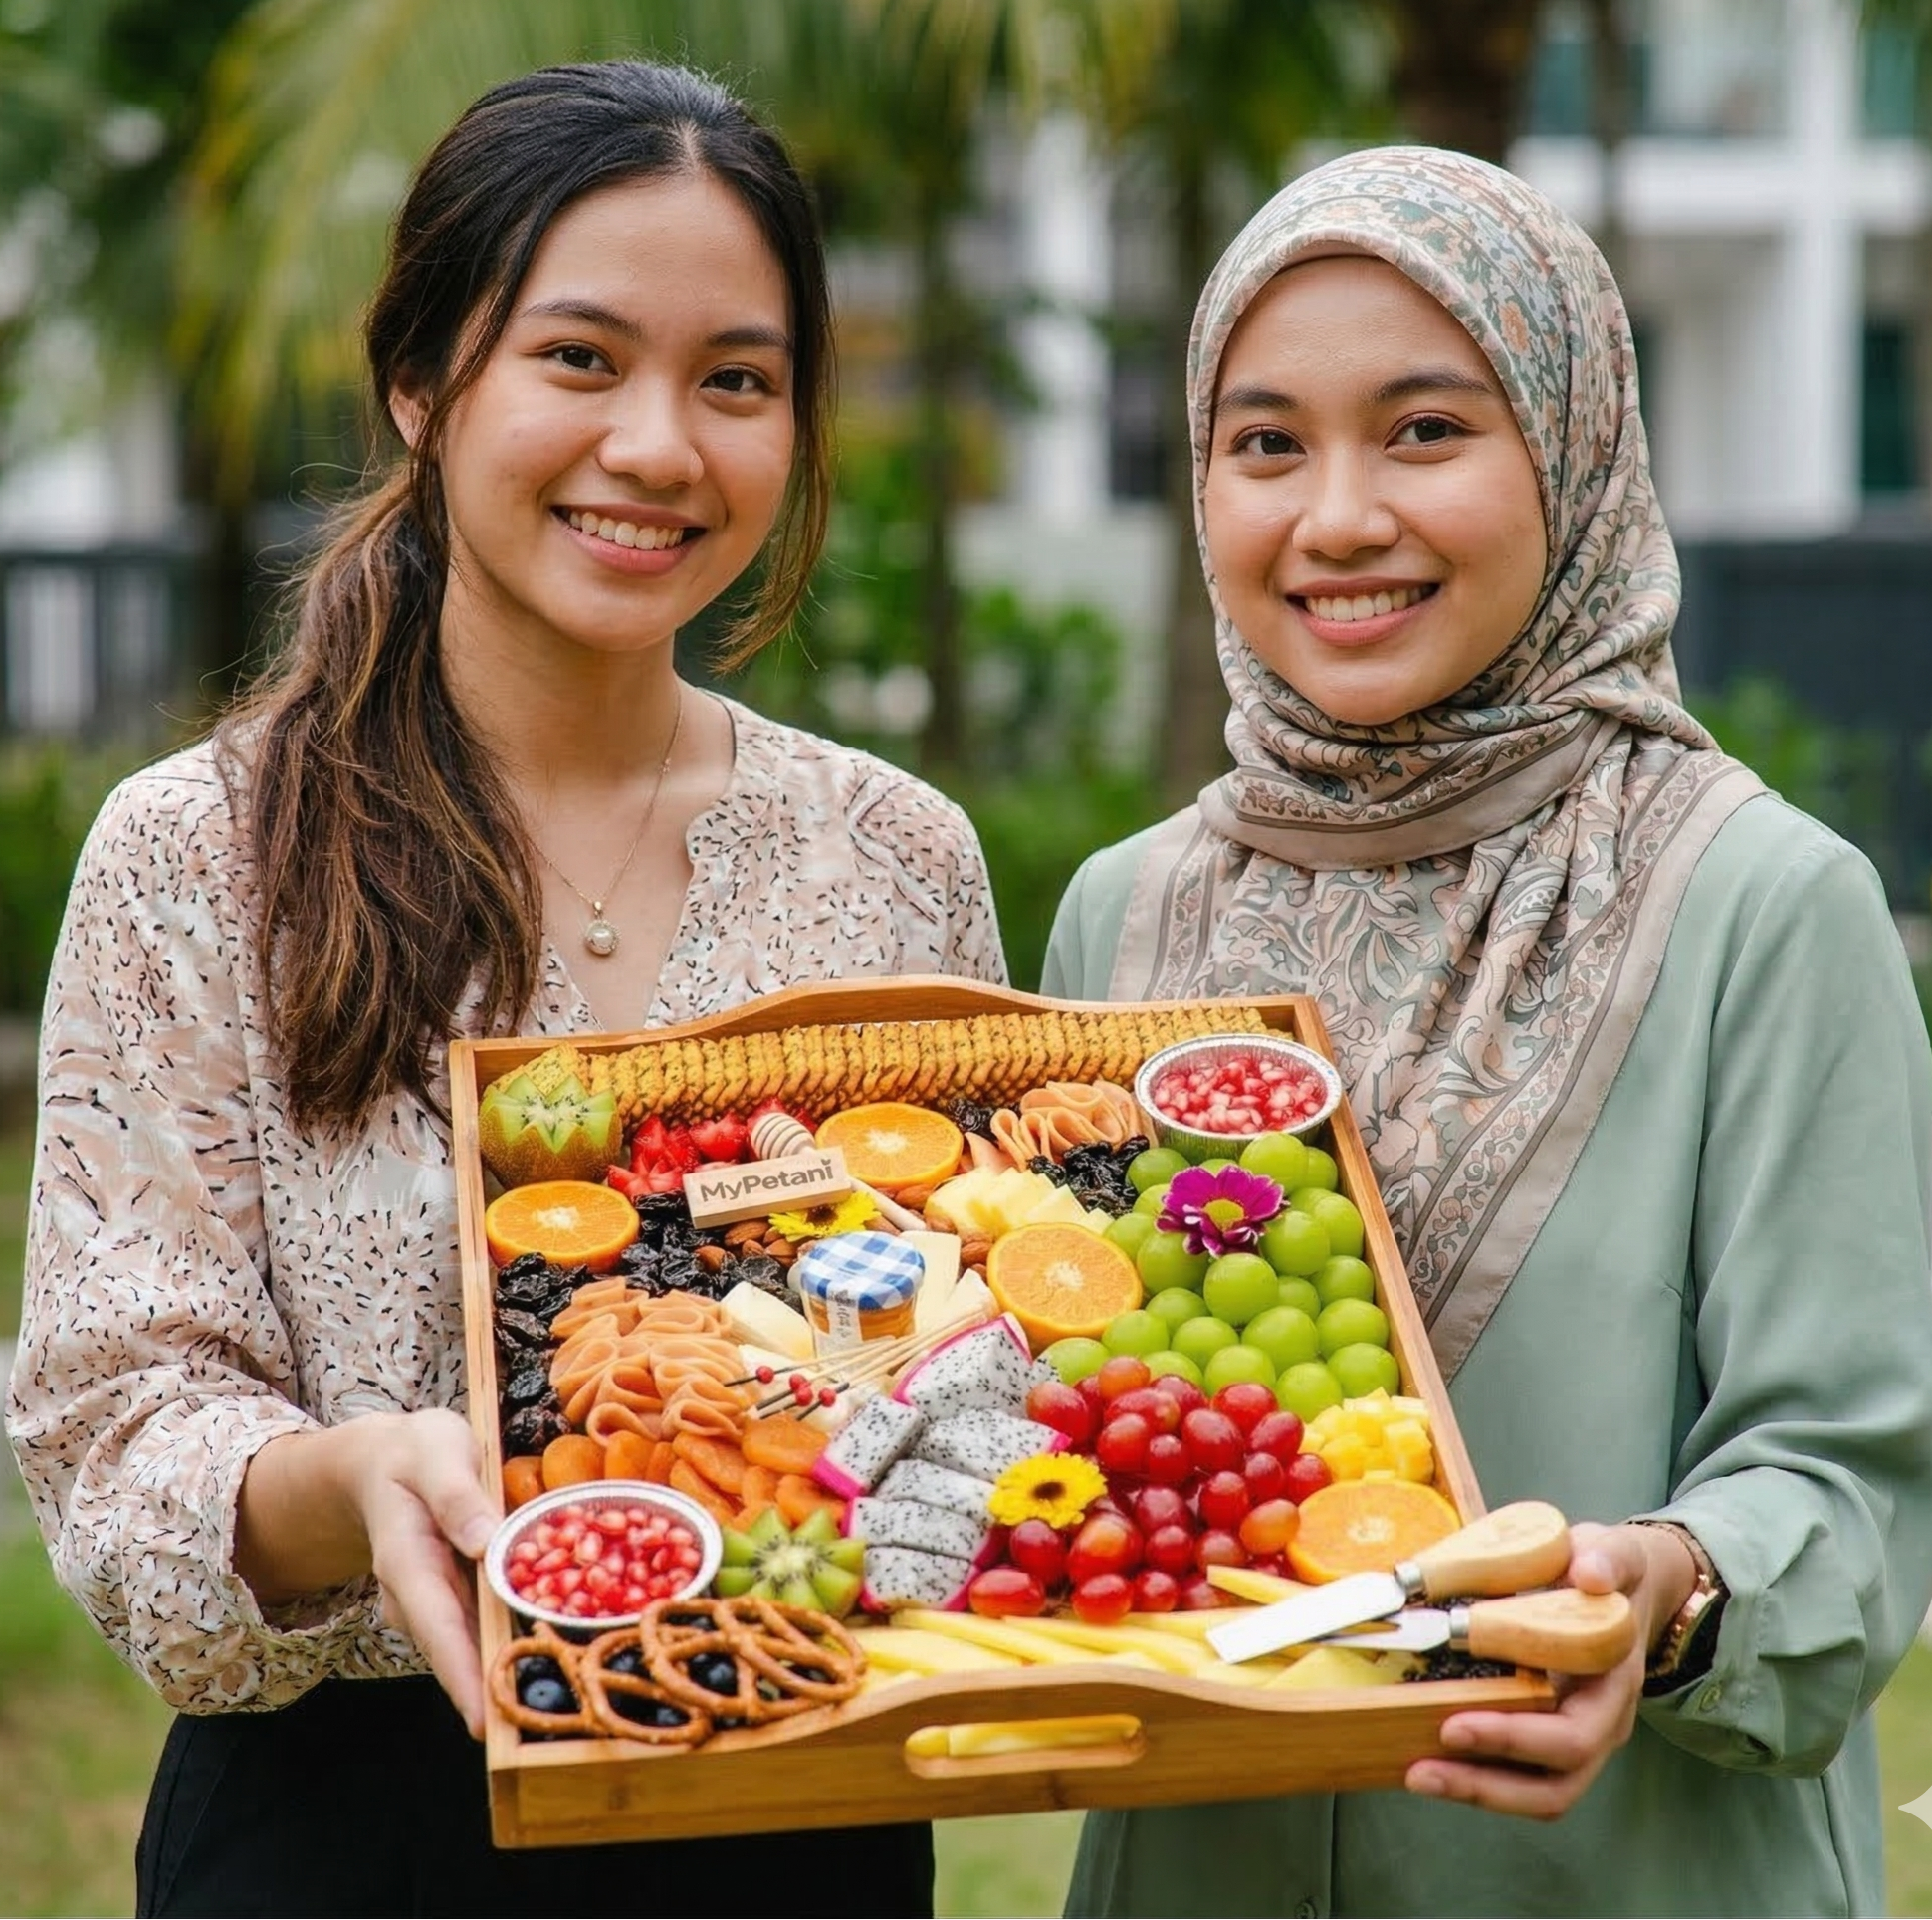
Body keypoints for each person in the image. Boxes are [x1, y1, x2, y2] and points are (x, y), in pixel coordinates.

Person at [6, 60, 1002, 1919]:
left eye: (738, 380)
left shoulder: (894, 855)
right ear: (421, 377)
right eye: (578, 358)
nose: (658, 448)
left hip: (798, 1809)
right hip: (349, 1830)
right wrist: (359, 1479)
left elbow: (964, 1335)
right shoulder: (197, 853)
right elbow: (111, 1415)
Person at [1043, 145, 1932, 1918]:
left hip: (1627, 1870)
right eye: (1267, 440)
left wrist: (1666, 1595)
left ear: (1577, 445)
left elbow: (1847, 1475)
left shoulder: (1761, 905)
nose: (1340, 516)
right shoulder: (1125, 914)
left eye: (1429, 429)